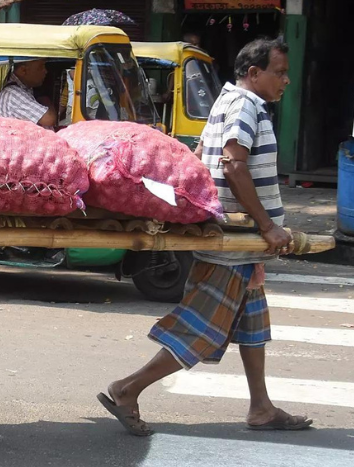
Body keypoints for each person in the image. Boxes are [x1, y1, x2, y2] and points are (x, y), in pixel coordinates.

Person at [98, 37, 310, 437]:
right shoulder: (244, 105)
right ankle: (127, 389)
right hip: (233, 242)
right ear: (254, 73)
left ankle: (261, 408)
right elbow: (233, 166)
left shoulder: (229, 101)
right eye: (280, 73)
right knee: (201, 331)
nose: (286, 81)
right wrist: (267, 225)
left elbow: (205, 156)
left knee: (252, 327)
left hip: (244, 245)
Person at [0, 58, 55, 129]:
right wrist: (45, 99)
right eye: (40, 67)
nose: (45, 71)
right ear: (23, 70)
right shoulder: (14, 93)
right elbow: (49, 119)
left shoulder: (25, 89)